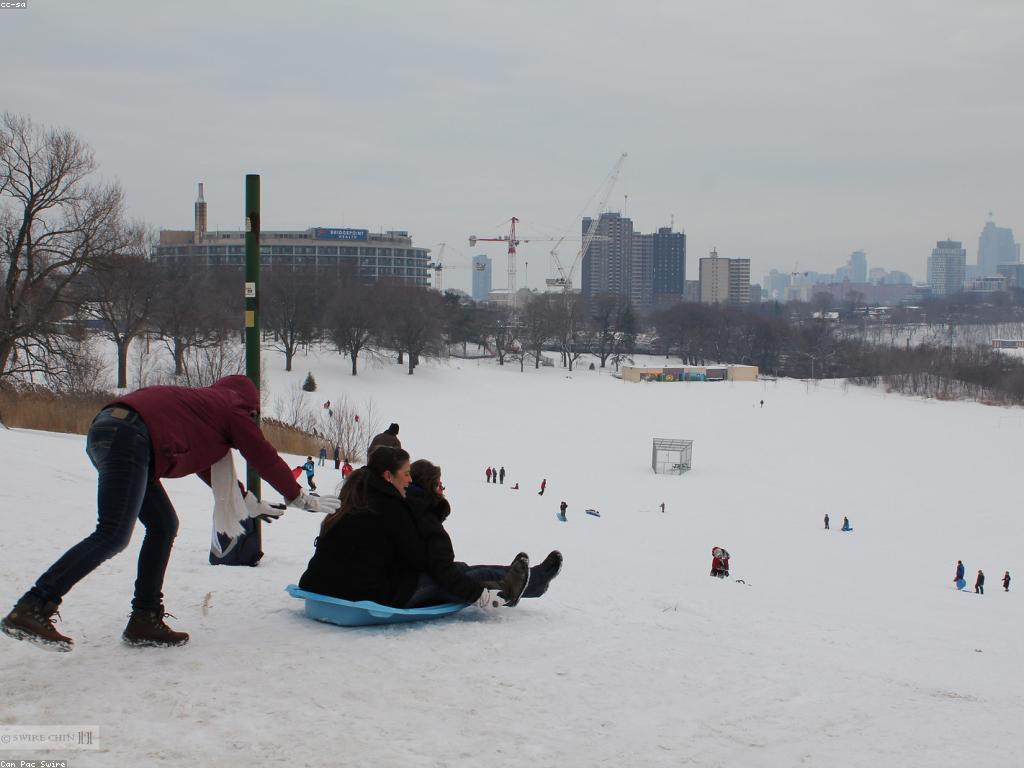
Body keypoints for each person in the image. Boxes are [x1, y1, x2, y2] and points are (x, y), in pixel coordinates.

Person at [1, 375, 339, 652]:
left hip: (111, 432)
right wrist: (297, 496)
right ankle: (35, 604)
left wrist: (245, 500)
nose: (252, 421)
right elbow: (261, 453)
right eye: (254, 415)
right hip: (131, 438)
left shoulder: (204, 409)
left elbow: (208, 467)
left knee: (163, 525)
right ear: (250, 406)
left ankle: (145, 617)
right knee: (113, 533)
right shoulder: (233, 407)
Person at [299, 448, 528, 609]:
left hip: (319, 586)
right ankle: (514, 588)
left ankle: (527, 580)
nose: (410, 480)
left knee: (456, 571)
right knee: (446, 576)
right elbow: (418, 561)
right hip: (364, 594)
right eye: (406, 474)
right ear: (389, 476)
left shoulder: (352, 497)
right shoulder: (392, 508)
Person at [402, 459, 561, 608]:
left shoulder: (410, 507)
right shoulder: (424, 517)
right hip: (406, 588)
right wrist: (479, 595)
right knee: (477, 575)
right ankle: (534, 581)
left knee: (464, 569)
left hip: (407, 580)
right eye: (438, 484)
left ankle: (534, 580)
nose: (442, 487)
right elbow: (444, 573)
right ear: (429, 486)